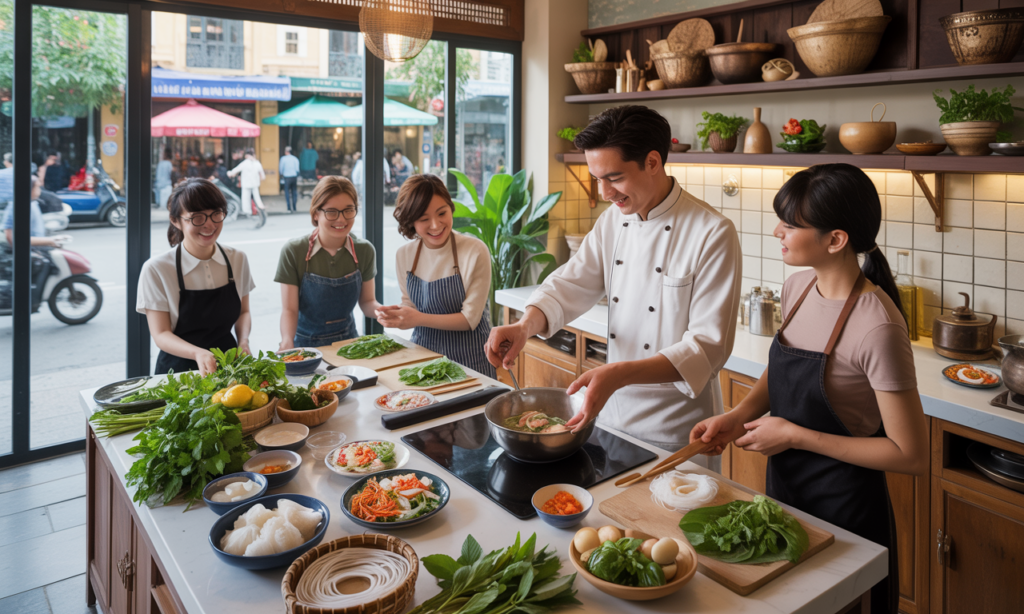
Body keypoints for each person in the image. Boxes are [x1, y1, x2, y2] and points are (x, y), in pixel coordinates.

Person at [690, 164, 928, 614]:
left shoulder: (877, 326)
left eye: (791, 224)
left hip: (847, 513)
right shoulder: (798, 286)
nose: (778, 231)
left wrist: (796, 436)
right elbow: (779, 374)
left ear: (835, 239)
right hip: (785, 495)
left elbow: (909, 454)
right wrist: (738, 415)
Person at [484, 105, 742, 459]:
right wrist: (524, 326)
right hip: (610, 418)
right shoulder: (612, 222)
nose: (604, 192)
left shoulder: (711, 232)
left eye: (614, 178)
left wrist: (617, 374)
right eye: (597, 178)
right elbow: (571, 283)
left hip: (677, 431)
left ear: (653, 162)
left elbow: (706, 348)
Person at [376, 174, 495, 378]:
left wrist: (417, 318)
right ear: (411, 221)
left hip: (471, 362)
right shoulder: (405, 255)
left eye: (442, 213)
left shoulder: (475, 250)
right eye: (424, 219)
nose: (435, 225)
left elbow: (470, 319)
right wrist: (395, 315)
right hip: (424, 360)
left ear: (451, 208)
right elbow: (410, 304)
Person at [136, 178, 255, 375]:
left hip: (231, 370)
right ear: (176, 220)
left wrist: (243, 341)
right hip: (178, 375)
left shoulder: (237, 259)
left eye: (216, 214)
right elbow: (160, 334)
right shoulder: (156, 269)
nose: (209, 225)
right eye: (197, 218)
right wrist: (198, 353)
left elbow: (243, 312)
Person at [276, 176, 382, 349]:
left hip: (349, 345)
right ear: (316, 213)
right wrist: (287, 340)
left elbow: (368, 302)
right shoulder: (294, 251)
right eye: (331, 212)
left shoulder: (364, 250)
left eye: (349, 210)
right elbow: (290, 310)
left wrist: (384, 312)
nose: (341, 219)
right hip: (305, 346)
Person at [3, 176, 57, 248]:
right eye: (37, 187)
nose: (39, 191)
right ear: (29, 188)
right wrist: (50, 241)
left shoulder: (32, 203)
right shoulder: (19, 206)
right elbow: (13, 238)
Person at [227, 148, 266, 224]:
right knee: (257, 197)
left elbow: (235, 171)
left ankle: (247, 211)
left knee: (245, 198)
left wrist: (229, 173)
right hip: (255, 184)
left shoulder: (245, 163)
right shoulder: (257, 163)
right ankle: (261, 206)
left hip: (246, 184)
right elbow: (263, 176)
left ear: (247, 155)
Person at [279, 146, 300, 213]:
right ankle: (294, 207)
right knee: (294, 192)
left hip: (287, 177)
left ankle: (289, 208)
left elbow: (281, 169)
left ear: (286, 152)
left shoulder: (283, 159)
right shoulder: (295, 159)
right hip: (294, 177)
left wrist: (281, 175)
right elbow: (297, 169)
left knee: (287, 192)